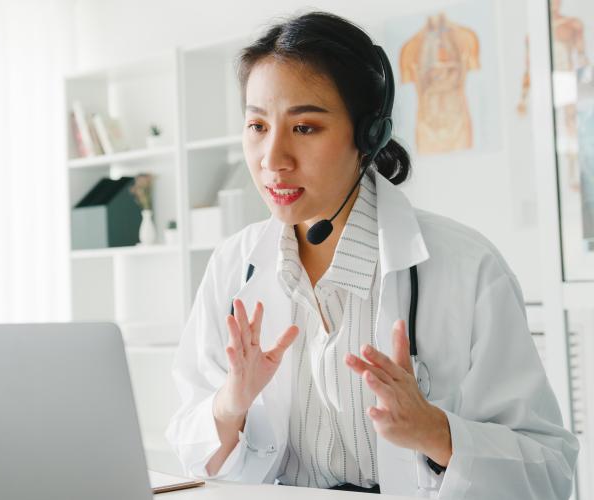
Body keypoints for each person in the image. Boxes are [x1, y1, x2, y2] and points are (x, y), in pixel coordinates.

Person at [165, 11, 579, 499]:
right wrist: (230, 404)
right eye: (257, 125)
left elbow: (550, 473)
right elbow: (192, 455)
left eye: (304, 128)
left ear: (369, 136)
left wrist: (435, 432)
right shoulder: (233, 267)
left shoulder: (468, 269)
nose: (272, 158)